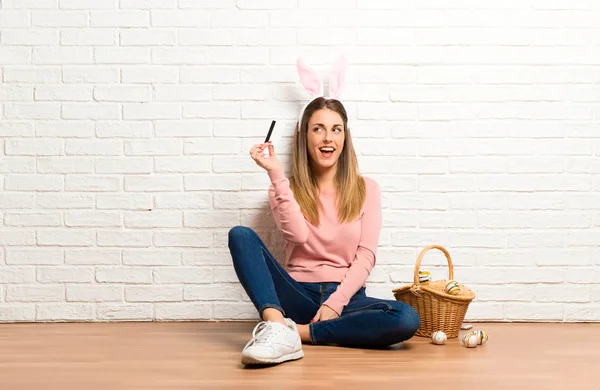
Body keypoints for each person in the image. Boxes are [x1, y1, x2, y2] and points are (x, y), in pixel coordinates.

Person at [227, 58, 420, 366]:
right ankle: (277, 322)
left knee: (406, 317)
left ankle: (294, 334)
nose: (328, 137)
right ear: (306, 137)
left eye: (336, 129)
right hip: (296, 293)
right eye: (318, 129)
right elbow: (299, 236)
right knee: (240, 235)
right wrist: (276, 173)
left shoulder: (367, 188)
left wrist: (335, 303)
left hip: (346, 299)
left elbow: (366, 255)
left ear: (345, 138)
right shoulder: (284, 187)